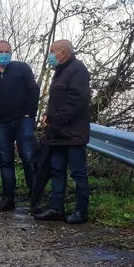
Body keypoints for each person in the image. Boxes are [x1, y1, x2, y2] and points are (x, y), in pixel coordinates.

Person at [35, 39, 91, 224]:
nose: (50, 55)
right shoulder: (59, 71)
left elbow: (78, 100)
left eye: (52, 51)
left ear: (63, 53)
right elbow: (57, 100)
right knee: (57, 170)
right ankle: (56, 208)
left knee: (77, 173)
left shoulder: (78, 70)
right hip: (57, 134)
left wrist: (57, 118)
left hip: (73, 134)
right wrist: (48, 115)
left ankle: (81, 211)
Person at [0, 40, 40, 213]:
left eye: (7, 50)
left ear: (12, 52)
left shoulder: (22, 68)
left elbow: (33, 89)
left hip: (23, 120)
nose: (4, 53)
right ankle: (8, 199)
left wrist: (31, 113)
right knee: (5, 161)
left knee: (28, 158)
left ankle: (35, 198)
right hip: (0, 124)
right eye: (0, 51)